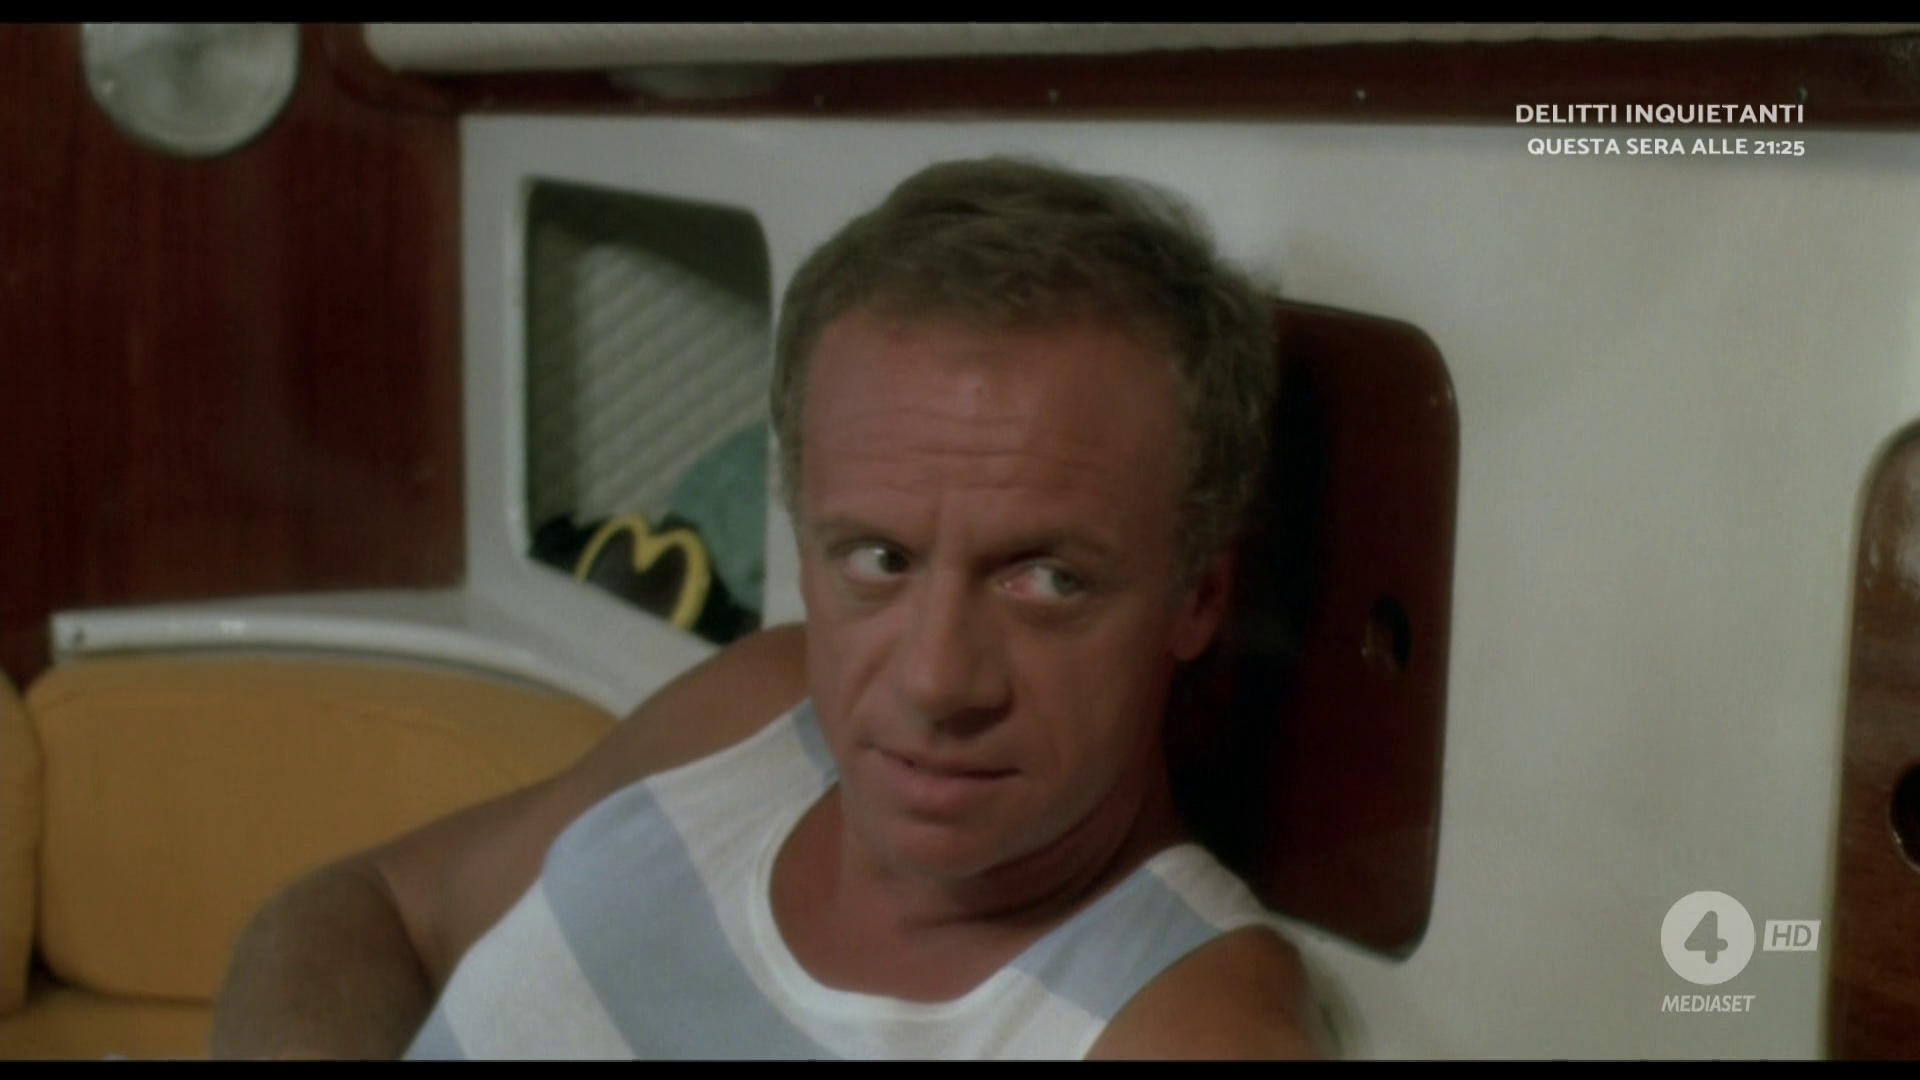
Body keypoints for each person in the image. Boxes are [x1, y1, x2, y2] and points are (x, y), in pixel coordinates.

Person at [208, 156, 1325, 1060]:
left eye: (1046, 580)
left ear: (1198, 595)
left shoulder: (1180, 1030)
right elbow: (366, 908)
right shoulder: (760, 706)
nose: (935, 680)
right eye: (878, 559)